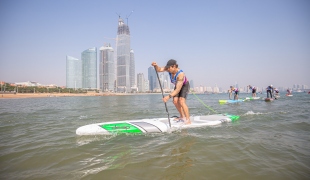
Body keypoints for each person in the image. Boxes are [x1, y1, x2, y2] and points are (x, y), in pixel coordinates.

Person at [152, 59, 191, 124]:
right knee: (175, 101)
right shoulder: (168, 69)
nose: (168, 69)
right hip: (177, 85)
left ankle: (188, 120)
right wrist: (156, 66)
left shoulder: (180, 74)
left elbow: (177, 90)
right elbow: (159, 69)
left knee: (181, 101)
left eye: (169, 67)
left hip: (184, 85)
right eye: (167, 67)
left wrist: (168, 97)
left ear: (174, 66)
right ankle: (182, 116)